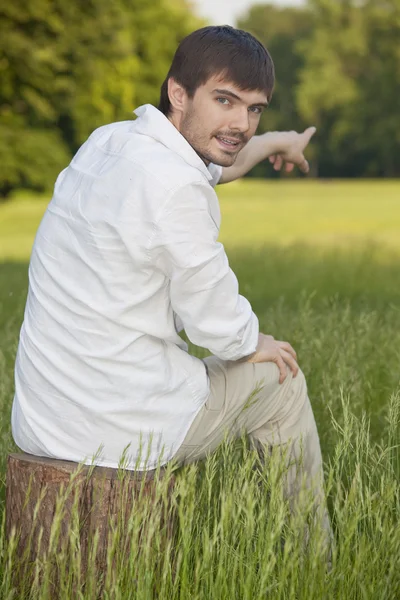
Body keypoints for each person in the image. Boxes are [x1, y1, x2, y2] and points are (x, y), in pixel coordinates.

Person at [11, 26, 328, 533]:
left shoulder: (111, 142)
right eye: (225, 100)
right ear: (178, 93)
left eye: (254, 109)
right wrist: (254, 341)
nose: (241, 123)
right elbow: (217, 326)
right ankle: (316, 563)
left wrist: (276, 142)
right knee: (281, 379)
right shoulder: (175, 188)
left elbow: (213, 164)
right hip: (118, 431)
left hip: (44, 419)